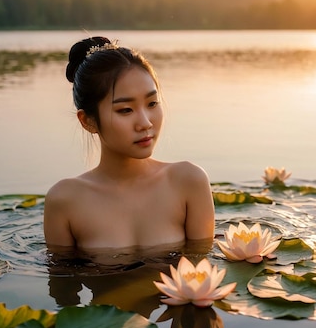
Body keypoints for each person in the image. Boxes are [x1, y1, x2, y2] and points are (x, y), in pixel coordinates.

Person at [44, 36, 215, 253]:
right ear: (88, 121)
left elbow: (201, 277)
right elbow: (61, 282)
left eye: (152, 103)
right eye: (125, 110)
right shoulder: (64, 200)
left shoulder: (188, 182)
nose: (145, 123)